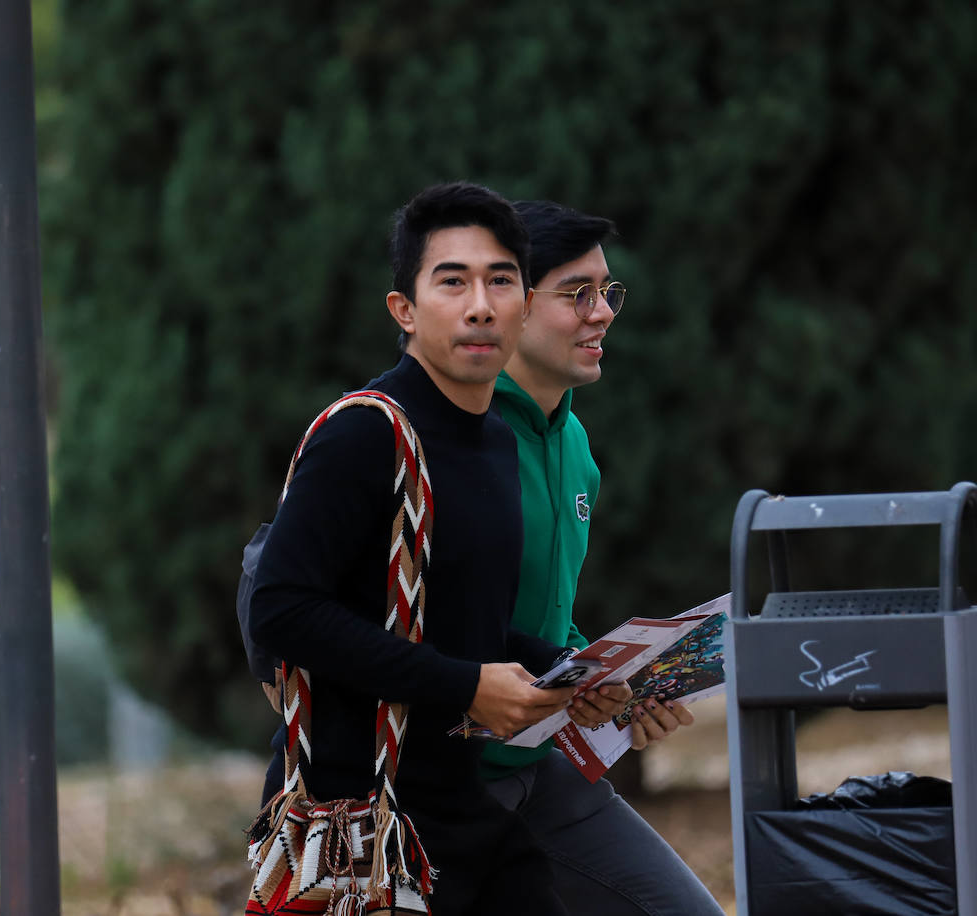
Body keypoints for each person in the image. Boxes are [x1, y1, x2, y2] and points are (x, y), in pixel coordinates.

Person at [249, 182, 577, 914]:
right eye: (451, 282)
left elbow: (465, 622)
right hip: (360, 822)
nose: (480, 305)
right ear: (404, 309)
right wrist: (465, 686)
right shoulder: (366, 433)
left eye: (501, 281)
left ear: (526, 305)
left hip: (453, 807)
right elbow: (281, 608)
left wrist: (576, 675)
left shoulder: (495, 439)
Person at [482, 199, 725, 916]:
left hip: (540, 768)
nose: (603, 313)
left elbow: (541, 618)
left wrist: (618, 688)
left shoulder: (576, 446)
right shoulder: (451, 438)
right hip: (440, 786)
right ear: (511, 306)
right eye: (577, 293)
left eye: (609, 291)